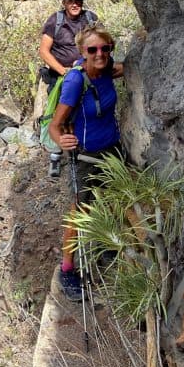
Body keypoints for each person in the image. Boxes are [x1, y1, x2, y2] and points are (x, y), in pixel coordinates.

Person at [48, 23, 123, 301]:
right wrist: (61, 140)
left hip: (113, 151)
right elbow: (55, 126)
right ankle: (67, 269)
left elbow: (122, 69)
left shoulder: (107, 69)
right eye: (92, 49)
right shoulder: (75, 81)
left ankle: (106, 245)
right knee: (80, 212)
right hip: (86, 157)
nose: (99, 54)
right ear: (82, 52)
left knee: (115, 200)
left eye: (105, 48)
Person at [38, 0, 97, 89]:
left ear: (82, 2)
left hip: (88, 73)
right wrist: (64, 72)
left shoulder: (90, 18)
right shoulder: (55, 20)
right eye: (70, 1)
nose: (74, 5)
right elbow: (43, 51)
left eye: (78, 1)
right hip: (60, 76)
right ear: (64, 3)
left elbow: (105, 42)